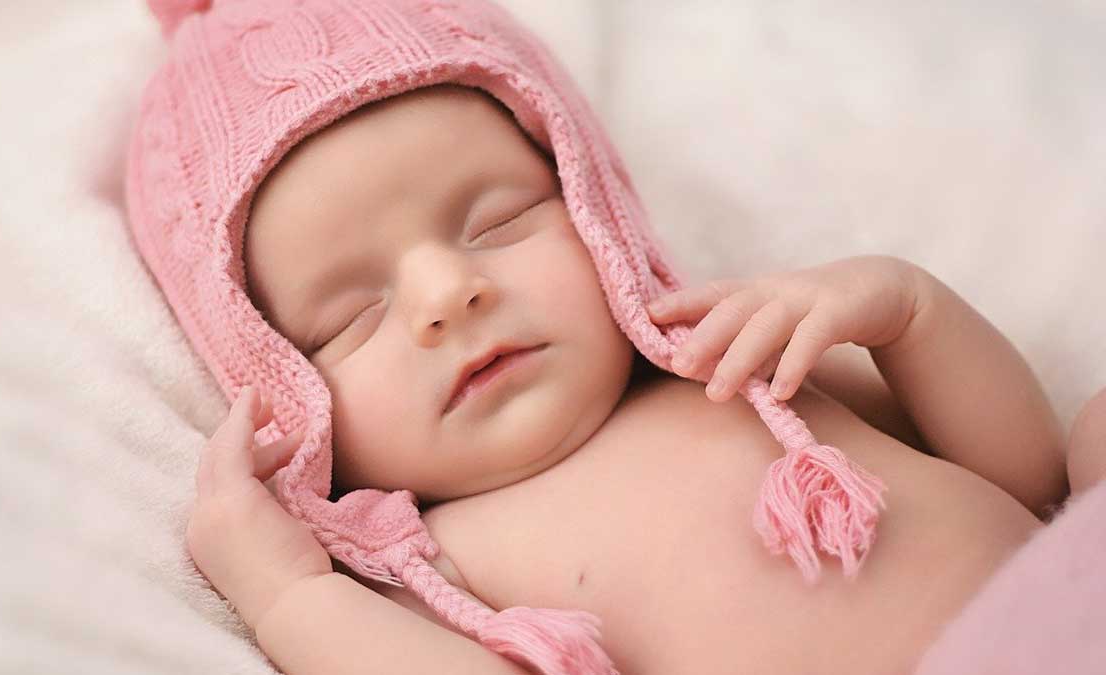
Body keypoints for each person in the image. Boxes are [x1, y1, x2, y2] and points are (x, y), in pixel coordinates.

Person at [125, 1, 1099, 673]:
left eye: (500, 219)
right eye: (349, 314)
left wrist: (907, 313)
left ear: (596, 205)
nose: (448, 293)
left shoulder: (733, 360)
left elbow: (1025, 475)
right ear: (280, 378)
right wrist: (289, 595)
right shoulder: (438, 558)